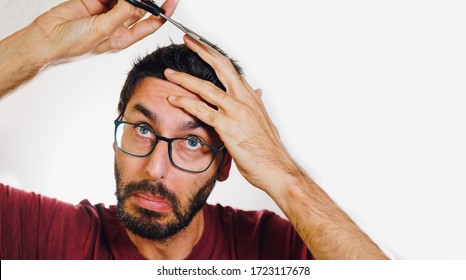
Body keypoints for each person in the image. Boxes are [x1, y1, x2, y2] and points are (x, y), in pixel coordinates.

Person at [0, 0, 388, 260]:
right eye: (143, 130)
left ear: (225, 164)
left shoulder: (277, 249)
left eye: (192, 141)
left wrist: (283, 174)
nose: (155, 170)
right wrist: (42, 45)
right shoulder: (46, 238)